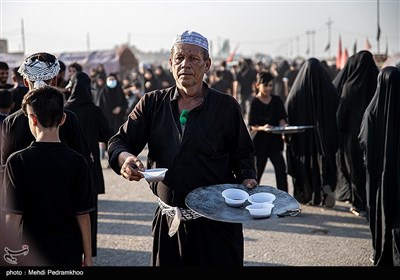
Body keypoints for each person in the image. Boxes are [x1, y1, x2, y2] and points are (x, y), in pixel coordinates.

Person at [107, 30, 257, 266]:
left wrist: (248, 179)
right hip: (169, 225)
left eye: (194, 58)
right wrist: (125, 159)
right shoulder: (152, 103)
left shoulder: (226, 107)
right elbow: (119, 142)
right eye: (179, 58)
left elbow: (244, 154)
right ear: (170, 63)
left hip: (217, 225)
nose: (185, 64)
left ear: (207, 64)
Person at [3, 86, 94, 266]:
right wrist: (89, 257)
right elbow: (83, 215)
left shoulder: (17, 161)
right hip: (69, 250)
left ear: (33, 119)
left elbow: (13, 215)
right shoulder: (78, 161)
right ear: (63, 119)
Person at [64, 71, 114, 257]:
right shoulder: (95, 111)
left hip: (68, 168)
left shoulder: (65, 110)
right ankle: (88, 252)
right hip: (90, 167)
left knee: (70, 211)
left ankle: (72, 252)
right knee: (90, 212)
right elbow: (108, 135)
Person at [359, 66, 400, 266]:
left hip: (378, 174)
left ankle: (380, 251)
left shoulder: (372, 111)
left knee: (380, 210)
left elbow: (363, 140)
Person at [284, 58, 339, 208]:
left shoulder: (296, 93)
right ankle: (325, 187)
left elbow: (288, 108)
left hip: (302, 138)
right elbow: (336, 105)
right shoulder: (328, 90)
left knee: (305, 164)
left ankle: (306, 193)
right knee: (324, 161)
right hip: (323, 135)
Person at [336, 50, 378, 217]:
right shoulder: (379, 84)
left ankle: (358, 203)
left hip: (353, 137)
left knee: (355, 169)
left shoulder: (350, 86)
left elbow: (341, 115)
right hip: (375, 136)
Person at [248, 71, 288, 192]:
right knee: (256, 173)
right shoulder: (255, 102)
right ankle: (251, 198)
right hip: (259, 144)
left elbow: (282, 117)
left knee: (281, 170)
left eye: (270, 85)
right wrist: (263, 128)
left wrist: (283, 125)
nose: (268, 88)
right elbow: (252, 126)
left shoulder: (276, 100)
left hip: (275, 142)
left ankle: (285, 198)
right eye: (265, 85)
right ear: (257, 85)